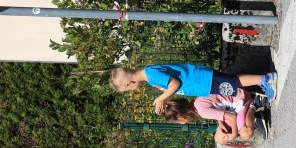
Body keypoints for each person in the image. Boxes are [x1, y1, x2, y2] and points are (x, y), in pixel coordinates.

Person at [110, 64, 277, 115]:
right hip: (201, 82)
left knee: (234, 83)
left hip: (201, 80)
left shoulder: (151, 75)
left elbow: (174, 84)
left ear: (129, 83)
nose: (132, 91)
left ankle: (267, 79)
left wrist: (161, 98)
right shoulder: (149, 74)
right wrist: (163, 90)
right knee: (232, 84)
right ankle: (264, 80)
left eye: (128, 90)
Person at [162, 95, 270, 143]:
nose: (181, 124)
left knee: (245, 134)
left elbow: (232, 117)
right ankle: (254, 118)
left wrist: (233, 134)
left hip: (240, 102)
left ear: (181, 117)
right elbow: (218, 109)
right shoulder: (196, 103)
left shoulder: (202, 111)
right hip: (232, 107)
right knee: (219, 138)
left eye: (179, 122)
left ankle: (254, 105)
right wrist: (221, 124)